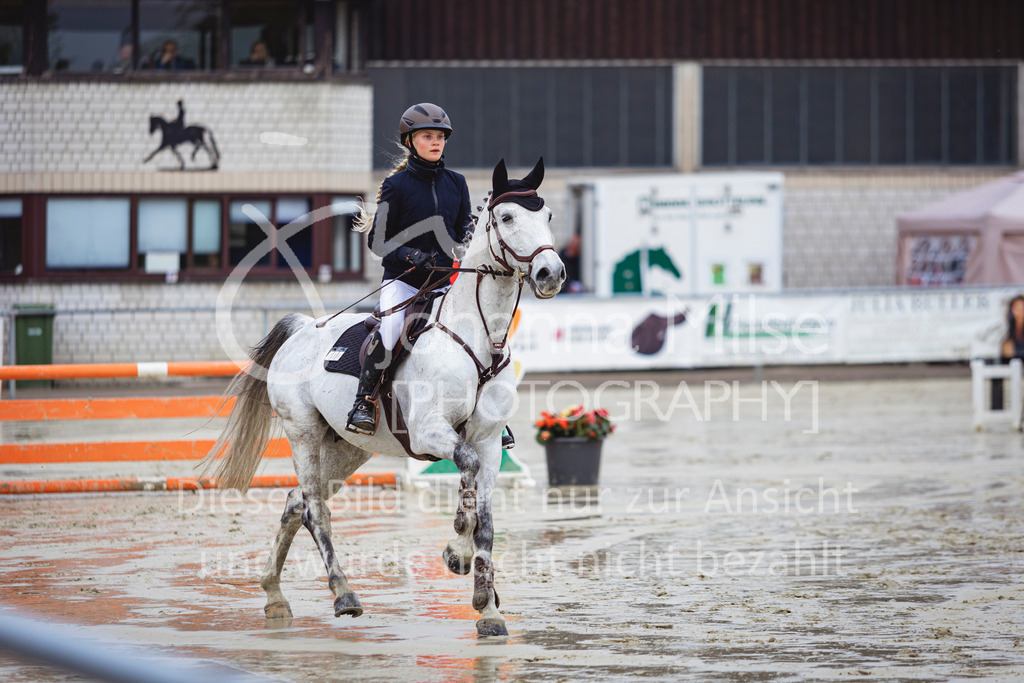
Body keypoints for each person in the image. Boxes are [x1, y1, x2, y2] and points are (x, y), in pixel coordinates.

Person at [346, 103, 473, 435]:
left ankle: (485, 416)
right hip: (403, 282)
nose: (435, 142)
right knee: (389, 331)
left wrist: (471, 238)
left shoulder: (457, 183)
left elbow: (462, 234)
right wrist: (408, 254)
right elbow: (377, 241)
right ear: (410, 141)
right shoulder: (396, 185)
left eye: (440, 137)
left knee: (475, 337)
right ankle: (363, 401)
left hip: (443, 285)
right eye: (427, 136)